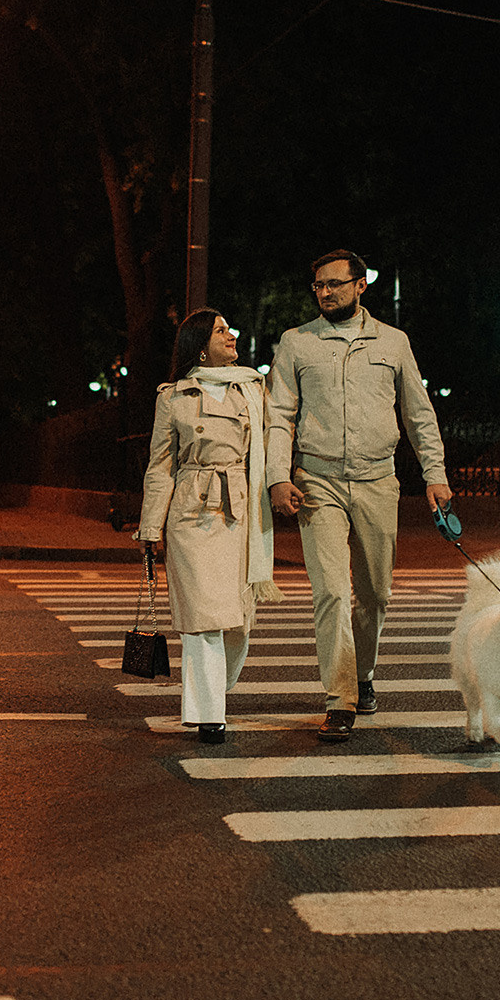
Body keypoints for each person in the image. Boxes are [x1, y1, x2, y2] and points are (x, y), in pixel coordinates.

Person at [265, 250, 452, 742]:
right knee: (330, 590)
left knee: (375, 594)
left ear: (361, 284)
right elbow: (279, 414)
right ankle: (340, 698)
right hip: (316, 481)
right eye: (319, 286)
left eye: (335, 284)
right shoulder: (296, 343)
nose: (326, 293)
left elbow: (418, 413)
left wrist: (435, 475)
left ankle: (363, 675)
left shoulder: (393, 342)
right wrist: (276, 476)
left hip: (377, 480)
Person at [137, 309, 283, 744]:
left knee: (238, 619)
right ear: (201, 345)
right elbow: (160, 466)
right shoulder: (174, 396)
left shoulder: (253, 388)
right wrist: (150, 527)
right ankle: (209, 715)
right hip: (191, 513)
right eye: (221, 330)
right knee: (204, 618)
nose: (231, 335)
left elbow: (275, 441)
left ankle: (216, 690)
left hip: (242, 511)